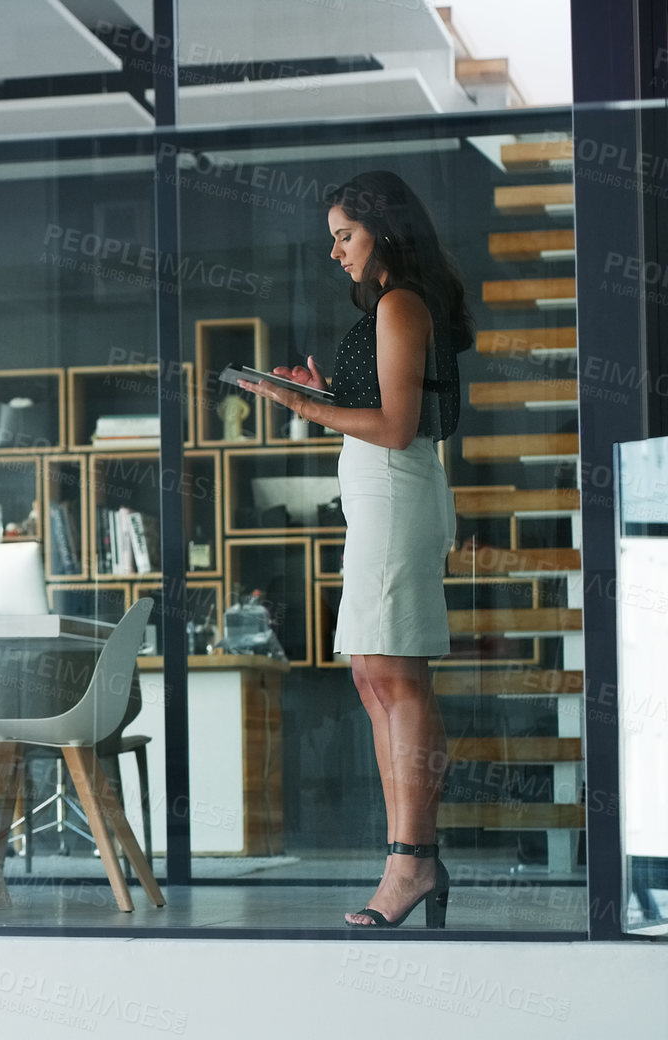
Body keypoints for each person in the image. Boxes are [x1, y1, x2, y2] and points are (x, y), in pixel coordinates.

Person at [239, 170, 470, 928]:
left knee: (394, 678)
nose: (335, 252)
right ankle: (413, 857)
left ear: (382, 230)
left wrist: (302, 403)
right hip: (383, 493)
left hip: (397, 490)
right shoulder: (389, 306)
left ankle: (410, 862)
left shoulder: (401, 303)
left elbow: (400, 428)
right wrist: (321, 394)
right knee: (377, 676)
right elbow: (379, 409)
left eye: (345, 235)